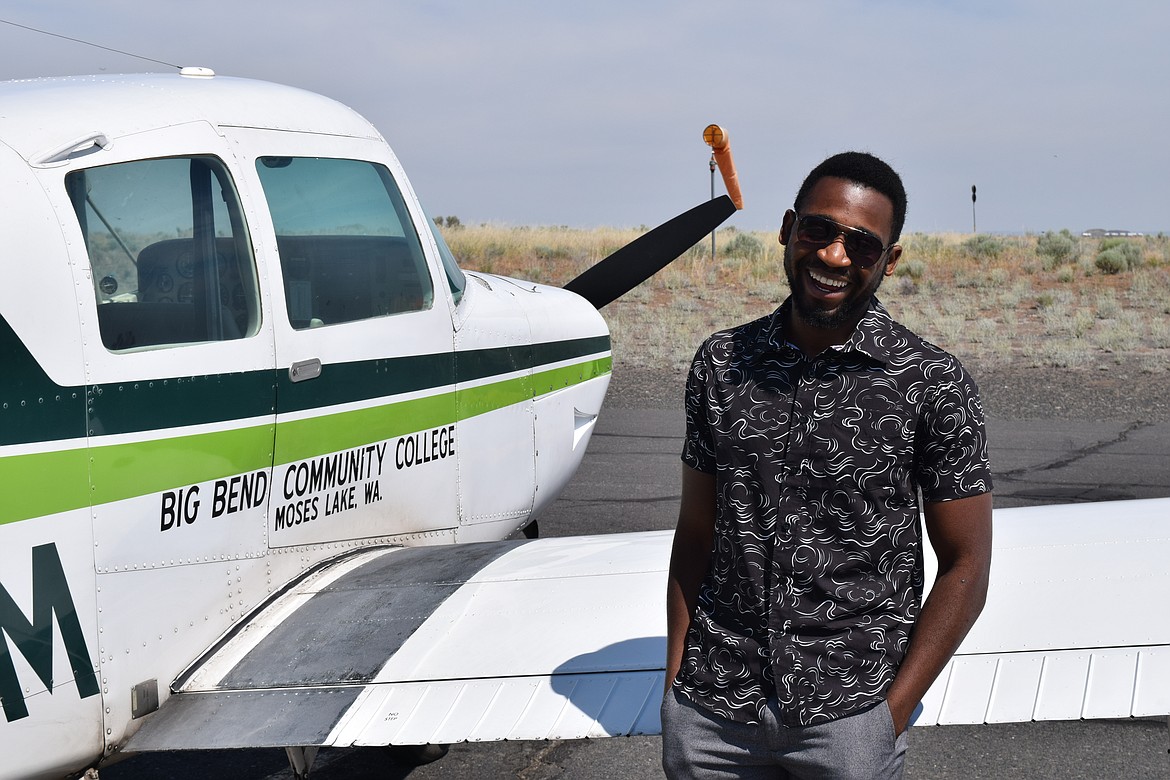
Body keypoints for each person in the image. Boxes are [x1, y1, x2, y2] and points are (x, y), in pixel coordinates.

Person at [662, 151, 993, 780]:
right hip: (712, 714)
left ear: (889, 261)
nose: (834, 256)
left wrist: (886, 718)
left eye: (862, 244)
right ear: (788, 229)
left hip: (849, 720)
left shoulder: (930, 383)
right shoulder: (721, 364)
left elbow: (967, 565)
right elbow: (696, 534)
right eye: (818, 230)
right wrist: (677, 680)